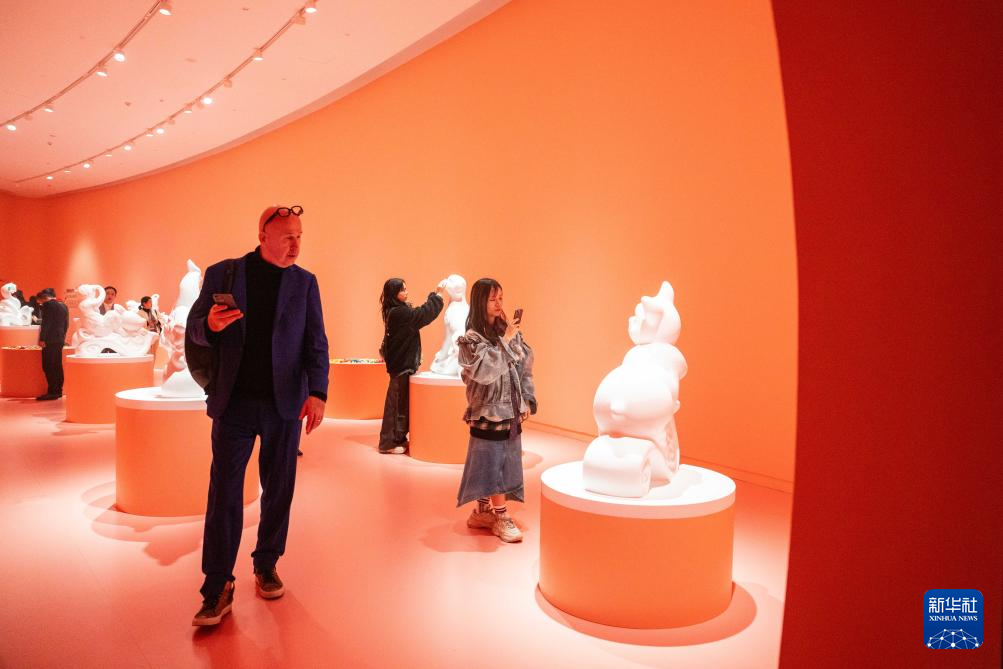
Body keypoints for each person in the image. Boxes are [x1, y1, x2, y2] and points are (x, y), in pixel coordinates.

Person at [186, 204, 329, 627]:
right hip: (234, 403)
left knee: (279, 489)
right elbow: (194, 329)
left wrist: (318, 392)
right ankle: (217, 585)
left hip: (285, 405)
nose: (296, 245)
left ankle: (266, 562)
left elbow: (316, 341)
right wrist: (211, 325)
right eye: (287, 237)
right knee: (224, 494)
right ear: (263, 236)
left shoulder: (305, 282)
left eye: (299, 236)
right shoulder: (224, 274)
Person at [455, 278, 536, 543]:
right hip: (486, 412)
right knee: (490, 464)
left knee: (502, 462)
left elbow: (524, 368)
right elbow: (485, 372)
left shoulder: (507, 332)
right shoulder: (471, 340)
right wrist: (507, 340)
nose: (499, 303)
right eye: (492, 299)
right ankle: (500, 516)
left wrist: (527, 398)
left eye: (500, 297)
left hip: (510, 411)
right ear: (480, 302)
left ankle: (482, 512)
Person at [377, 278, 445, 454]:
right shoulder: (399, 312)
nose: (406, 292)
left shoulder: (396, 310)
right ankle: (388, 443)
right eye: (402, 290)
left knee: (399, 404)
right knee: (397, 405)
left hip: (401, 364)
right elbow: (422, 315)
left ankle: (397, 438)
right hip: (401, 366)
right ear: (394, 293)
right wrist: (437, 296)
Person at [36, 288, 68, 401]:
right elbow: (66, 324)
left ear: (44, 298)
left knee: (48, 365)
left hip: (50, 340)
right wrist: (62, 337)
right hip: (59, 339)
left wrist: (42, 338)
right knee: (57, 365)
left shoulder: (48, 305)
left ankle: (52, 392)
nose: (41, 304)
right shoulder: (63, 305)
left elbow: (46, 323)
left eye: (40, 302)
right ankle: (58, 390)